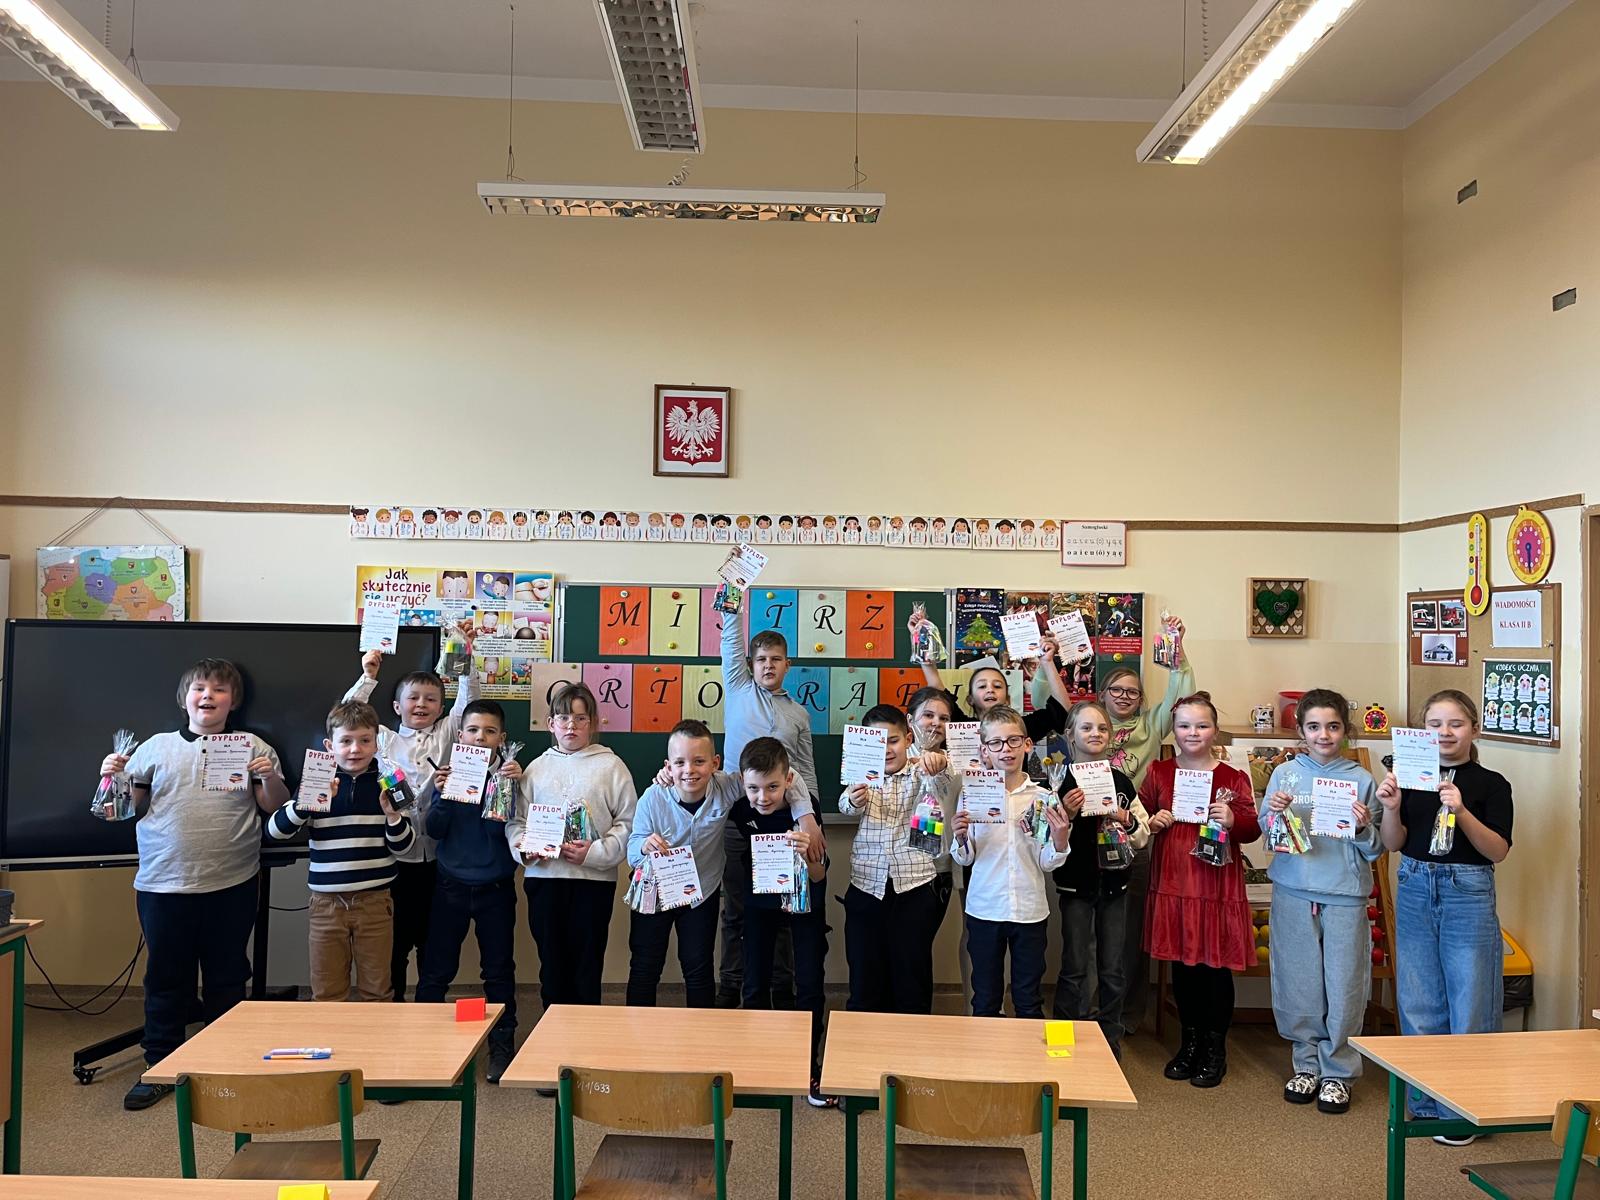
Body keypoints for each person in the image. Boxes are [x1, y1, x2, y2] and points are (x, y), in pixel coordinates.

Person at [105, 659, 288, 1110]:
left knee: (228, 977)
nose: (208, 696)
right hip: (163, 884)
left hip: (232, 882)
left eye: (219, 690)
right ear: (184, 698)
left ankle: (222, 1066)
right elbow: (125, 810)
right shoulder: (156, 747)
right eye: (200, 688)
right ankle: (160, 1065)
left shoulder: (252, 746)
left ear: (233, 701)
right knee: (166, 977)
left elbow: (274, 806)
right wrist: (113, 776)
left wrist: (268, 775)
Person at [1377, 689, 1512, 1145]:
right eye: (1435, 725)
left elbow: (1498, 850)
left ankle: (1464, 1110)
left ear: (1474, 728)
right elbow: (1394, 843)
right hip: (1415, 883)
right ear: (1423, 731)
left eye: (1456, 723)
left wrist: (1461, 810)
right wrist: (1391, 808)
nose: (1445, 733)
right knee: (1419, 1000)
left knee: (1471, 999)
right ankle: (1426, 1105)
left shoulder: (1492, 783)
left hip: (1466, 889)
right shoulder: (1412, 774)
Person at [627, 720, 817, 1009]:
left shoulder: (726, 787)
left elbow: (784, 774)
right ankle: (636, 1034)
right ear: (668, 766)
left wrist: (805, 814)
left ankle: (701, 1035)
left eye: (699, 761)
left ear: (715, 763)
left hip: (700, 893)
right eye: (679, 763)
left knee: (698, 967)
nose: (689, 770)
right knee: (645, 965)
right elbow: (632, 852)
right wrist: (643, 846)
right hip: (655, 890)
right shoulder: (653, 798)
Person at [1259, 688, 1380, 1115]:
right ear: (1301, 730)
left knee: (1345, 983)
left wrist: (1363, 828)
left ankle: (1339, 1071)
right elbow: (1268, 831)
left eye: (1332, 726)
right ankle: (1306, 1064)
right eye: (1314, 727)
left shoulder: (1361, 779)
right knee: (1298, 981)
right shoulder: (1285, 774)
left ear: (1345, 730)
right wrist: (1274, 813)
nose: (1323, 735)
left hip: (1345, 894)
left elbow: (1376, 848)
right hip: (1294, 889)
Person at [343, 648, 480, 1002]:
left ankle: (429, 1007)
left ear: (441, 708)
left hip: (438, 859)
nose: (421, 704)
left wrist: (465, 653)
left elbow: (468, 703)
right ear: (396, 706)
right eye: (413, 698)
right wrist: (368, 677)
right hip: (393, 861)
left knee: (434, 943)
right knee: (394, 942)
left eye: (431, 699)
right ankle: (395, 1008)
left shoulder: (449, 734)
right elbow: (347, 718)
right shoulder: (383, 739)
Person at [1141, 692, 1259, 1088]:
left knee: (1215, 969)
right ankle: (1189, 1043)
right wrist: (1152, 821)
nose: (1193, 732)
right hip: (1174, 884)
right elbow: (1139, 816)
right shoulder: (1159, 772)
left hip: (1215, 888)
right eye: (1185, 725)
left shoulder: (1233, 777)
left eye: (1202, 725)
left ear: (1215, 731)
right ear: (1173, 730)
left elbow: (1252, 829)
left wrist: (1233, 820)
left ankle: (1214, 1048)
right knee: (1184, 968)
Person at [268, 701, 414, 1003]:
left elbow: (404, 847)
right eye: (345, 741)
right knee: (327, 992)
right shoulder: (316, 781)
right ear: (329, 746)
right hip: (326, 905)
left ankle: (375, 1035)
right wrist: (306, 805)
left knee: (378, 990)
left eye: (364, 740)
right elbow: (275, 831)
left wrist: (392, 816)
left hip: (375, 903)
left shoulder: (389, 780)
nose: (355, 749)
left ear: (376, 743)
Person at [715, 588, 819, 1009]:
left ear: (787, 664)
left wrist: (810, 817)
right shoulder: (738, 687)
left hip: (784, 821)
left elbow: (806, 770)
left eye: (776, 659)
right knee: (736, 908)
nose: (768, 665)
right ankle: (731, 986)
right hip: (738, 815)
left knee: (782, 907)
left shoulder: (799, 713)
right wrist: (733, 599)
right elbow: (730, 640)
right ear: (750, 664)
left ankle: (781, 986)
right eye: (761, 659)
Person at [507, 682, 636, 1009]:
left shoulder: (612, 766)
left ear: (592, 723)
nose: (571, 726)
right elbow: (517, 822)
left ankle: (585, 1033)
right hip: (545, 880)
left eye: (580, 719)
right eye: (563, 718)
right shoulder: (536, 769)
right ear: (551, 724)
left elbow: (628, 824)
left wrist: (594, 853)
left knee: (586, 966)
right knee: (552, 966)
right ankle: (551, 1032)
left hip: (593, 883)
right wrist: (524, 848)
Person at [415, 699, 523, 1082]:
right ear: (461, 736)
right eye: (473, 730)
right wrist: (446, 793)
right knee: (436, 970)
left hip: (496, 888)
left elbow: (499, 832)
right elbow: (434, 830)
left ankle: (502, 1047)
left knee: (498, 970)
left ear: (501, 739)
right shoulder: (448, 776)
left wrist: (503, 788)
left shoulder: (509, 776)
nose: (480, 738)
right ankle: (423, 1048)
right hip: (450, 886)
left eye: (489, 732)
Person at [727, 738, 831, 1106]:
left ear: (789, 780)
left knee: (810, 983)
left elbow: (819, 875)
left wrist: (809, 855)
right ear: (743, 782)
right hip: (760, 903)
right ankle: (759, 1064)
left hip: (805, 905)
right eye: (754, 788)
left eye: (772, 787)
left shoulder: (806, 811)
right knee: (755, 982)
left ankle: (809, 1069)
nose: (763, 797)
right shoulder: (740, 809)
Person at [951, 706, 1070, 1019]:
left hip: (1029, 910)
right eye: (996, 743)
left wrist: (1059, 840)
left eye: (1014, 740)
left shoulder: (1043, 797)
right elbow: (965, 857)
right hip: (984, 908)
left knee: (1028, 998)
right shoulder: (972, 794)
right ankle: (986, 1051)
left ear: (1027, 744)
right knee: (985, 998)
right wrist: (960, 836)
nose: (1006, 749)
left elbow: (1047, 862)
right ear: (984, 750)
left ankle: (1027, 1052)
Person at [1047, 700, 1150, 1056]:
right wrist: (1066, 811)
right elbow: (1045, 835)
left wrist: (1126, 819)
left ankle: (1108, 1039)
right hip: (1075, 886)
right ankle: (1065, 1039)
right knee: (1075, 965)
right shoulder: (1058, 782)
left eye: (1102, 728)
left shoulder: (1121, 782)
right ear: (1070, 735)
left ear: (1111, 736)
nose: (1095, 733)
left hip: (1115, 886)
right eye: (1086, 727)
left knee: (1112, 967)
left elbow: (1142, 835)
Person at [838, 704, 955, 1014]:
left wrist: (939, 763)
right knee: (865, 976)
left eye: (893, 740)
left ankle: (912, 1040)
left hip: (914, 887)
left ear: (908, 738)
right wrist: (853, 800)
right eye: (877, 743)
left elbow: (945, 783)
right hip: (866, 886)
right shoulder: (861, 777)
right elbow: (845, 805)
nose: (886, 750)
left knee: (911, 978)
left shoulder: (921, 770)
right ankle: (864, 1039)